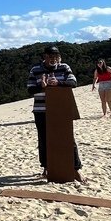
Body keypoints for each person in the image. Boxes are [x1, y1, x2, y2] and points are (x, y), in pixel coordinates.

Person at [26, 46, 83, 181]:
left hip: (61, 109)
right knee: (44, 140)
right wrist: (42, 86)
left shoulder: (64, 67)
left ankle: (76, 170)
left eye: (56, 56)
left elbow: (73, 82)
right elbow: (30, 89)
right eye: (50, 56)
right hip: (41, 110)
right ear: (44, 56)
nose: (53, 59)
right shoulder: (35, 70)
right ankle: (46, 168)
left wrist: (58, 82)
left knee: (69, 139)